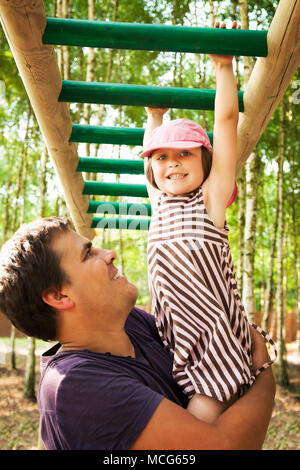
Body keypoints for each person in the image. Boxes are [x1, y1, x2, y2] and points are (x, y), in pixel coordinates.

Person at [0, 216, 275, 450]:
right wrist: (263, 372)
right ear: (59, 295)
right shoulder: (74, 386)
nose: (109, 253)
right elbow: (222, 446)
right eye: (88, 254)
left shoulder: (132, 323)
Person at [141, 21, 277, 424]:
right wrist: (155, 117)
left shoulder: (211, 198)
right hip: (173, 336)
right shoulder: (159, 202)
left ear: (206, 160)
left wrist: (223, 66)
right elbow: (152, 155)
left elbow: (227, 121)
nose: (172, 163)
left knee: (199, 417)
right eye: (162, 158)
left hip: (212, 336)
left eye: (184, 153)